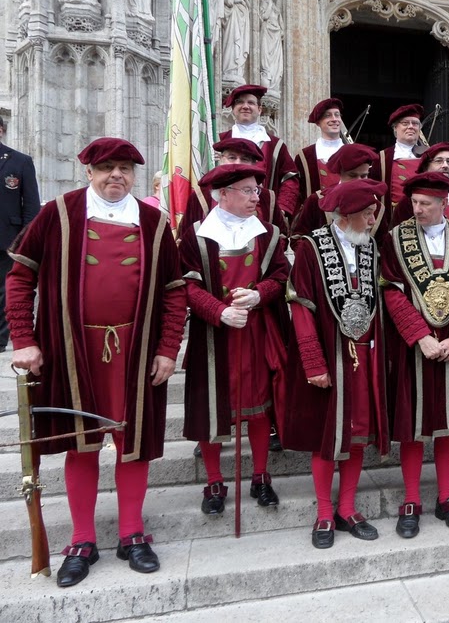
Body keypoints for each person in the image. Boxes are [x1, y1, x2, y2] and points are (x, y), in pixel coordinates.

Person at [7, 138, 186, 586]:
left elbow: (174, 292)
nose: (116, 176)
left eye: (124, 167)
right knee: (79, 442)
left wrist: (168, 348)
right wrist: (24, 339)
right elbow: (20, 277)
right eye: (106, 167)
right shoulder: (58, 213)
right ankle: (82, 539)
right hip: (72, 351)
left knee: (134, 442)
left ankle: (132, 533)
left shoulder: (153, 222)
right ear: (88, 170)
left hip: (137, 352)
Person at [282, 179, 389, 549]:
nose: (374, 218)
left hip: (365, 355)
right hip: (328, 355)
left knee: (358, 434)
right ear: (348, 215)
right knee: (327, 437)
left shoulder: (371, 246)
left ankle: (347, 507)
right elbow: (301, 306)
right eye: (369, 213)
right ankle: (325, 511)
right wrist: (313, 362)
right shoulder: (310, 247)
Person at [180, 163, 289, 516]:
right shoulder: (197, 234)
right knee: (211, 410)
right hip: (211, 337)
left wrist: (259, 294)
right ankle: (214, 480)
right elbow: (187, 285)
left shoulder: (268, 234)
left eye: (257, 190)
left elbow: (280, 276)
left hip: (255, 334)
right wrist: (218, 311)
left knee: (258, 410)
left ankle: (260, 476)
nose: (256, 197)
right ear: (223, 194)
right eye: (248, 190)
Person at [381, 172, 449, 538]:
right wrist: (418, 335)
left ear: (444, 205)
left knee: (447, 423)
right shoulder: (395, 238)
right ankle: (410, 499)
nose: (417, 210)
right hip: (414, 347)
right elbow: (390, 290)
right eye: (414, 203)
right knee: (414, 424)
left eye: (425, 204)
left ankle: (447, 496)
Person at [220, 84, 299, 218]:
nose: (245, 106)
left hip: (263, 216)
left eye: (251, 102)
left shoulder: (275, 145)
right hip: (224, 212)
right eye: (240, 102)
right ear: (233, 109)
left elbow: (290, 179)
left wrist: (280, 209)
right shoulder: (220, 142)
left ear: (260, 109)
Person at [0, 115, 40, 353]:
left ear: (2, 130)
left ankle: (1, 338)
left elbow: (32, 206)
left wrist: (23, 239)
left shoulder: (20, 161)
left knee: (4, 290)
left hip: (7, 237)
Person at [291, 142, 378, 239]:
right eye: (352, 176)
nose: (358, 181)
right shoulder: (317, 200)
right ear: (340, 173)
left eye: (363, 176)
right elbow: (298, 238)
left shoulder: (376, 205)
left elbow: (383, 245)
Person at [372, 103, 424, 210]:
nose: (410, 126)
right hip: (393, 218)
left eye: (415, 123)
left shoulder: (430, 155)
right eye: (405, 123)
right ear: (395, 128)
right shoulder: (382, 158)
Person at [296, 97, 345, 200]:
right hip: (316, 214)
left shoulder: (352, 152)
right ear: (318, 122)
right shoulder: (305, 156)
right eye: (328, 115)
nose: (334, 119)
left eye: (337, 115)